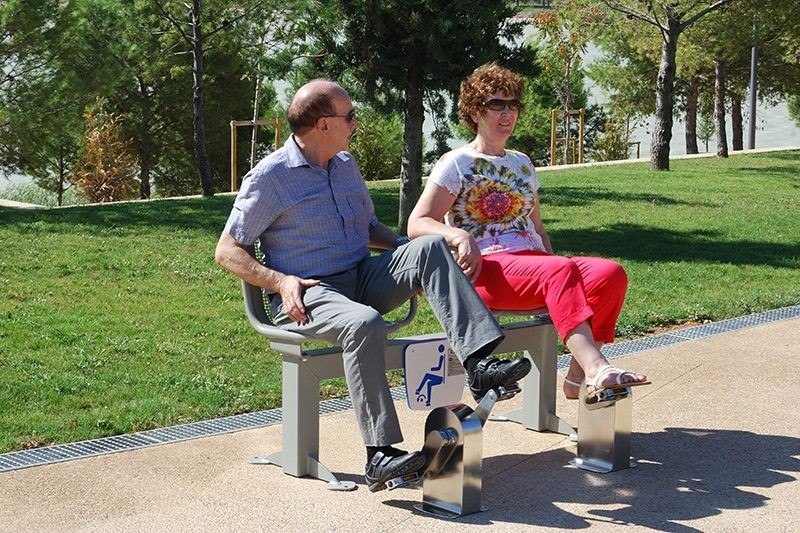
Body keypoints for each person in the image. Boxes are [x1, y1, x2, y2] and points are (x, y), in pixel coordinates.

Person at [215, 79, 532, 492]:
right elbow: (227, 251)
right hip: (311, 294)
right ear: (324, 124)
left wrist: (413, 257)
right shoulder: (271, 177)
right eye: (350, 117)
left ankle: (479, 367)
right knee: (364, 322)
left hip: (361, 277)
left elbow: (369, 229)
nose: (356, 124)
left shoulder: (345, 164)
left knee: (430, 246)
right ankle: (379, 455)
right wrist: (280, 280)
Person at [407, 63, 649, 402]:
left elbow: (537, 228)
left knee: (610, 274)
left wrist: (554, 271)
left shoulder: (521, 162)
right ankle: (598, 368)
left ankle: (577, 378)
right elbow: (417, 223)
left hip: (532, 268)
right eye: (496, 104)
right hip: (487, 270)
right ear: (475, 112)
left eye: (513, 104)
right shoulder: (456, 163)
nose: (507, 113)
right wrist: (459, 237)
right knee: (559, 269)